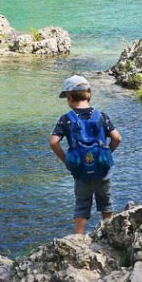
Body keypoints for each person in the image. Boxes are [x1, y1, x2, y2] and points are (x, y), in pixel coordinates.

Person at [49, 74, 122, 235]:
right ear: (89, 94)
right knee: (106, 204)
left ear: (69, 97)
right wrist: (108, 153)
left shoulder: (65, 119)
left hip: (80, 170)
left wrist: (66, 160)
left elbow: (54, 142)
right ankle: (109, 235)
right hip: (102, 168)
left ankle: (78, 240)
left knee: (82, 205)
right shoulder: (101, 116)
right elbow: (117, 138)